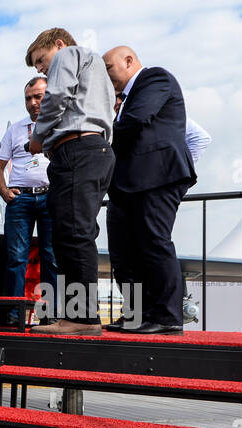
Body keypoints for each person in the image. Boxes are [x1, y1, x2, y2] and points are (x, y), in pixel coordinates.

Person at [24, 27, 117, 335]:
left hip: (77, 150)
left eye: (41, 59)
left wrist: (38, 137)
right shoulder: (96, 70)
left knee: (72, 234)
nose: (40, 68)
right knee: (75, 233)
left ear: (59, 44)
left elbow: (57, 96)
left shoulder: (69, 54)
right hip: (93, 150)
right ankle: (77, 315)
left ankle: (81, 318)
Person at [102, 45, 196, 334]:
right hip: (124, 184)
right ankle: (135, 314)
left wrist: (95, 142)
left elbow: (135, 120)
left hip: (157, 177)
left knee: (153, 242)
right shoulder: (123, 100)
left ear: (128, 61)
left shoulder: (155, 78)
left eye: (108, 68)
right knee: (123, 253)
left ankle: (166, 316)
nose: (105, 76)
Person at [0, 76, 59, 327]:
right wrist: (4, 191)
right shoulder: (15, 129)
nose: (33, 103)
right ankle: (13, 314)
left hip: (50, 196)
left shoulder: (60, 123)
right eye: (28, 98)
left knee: (51, 257)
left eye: (38, 97)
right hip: (20, 198)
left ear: (49, 96)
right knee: (16, 257)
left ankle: (51, 314)